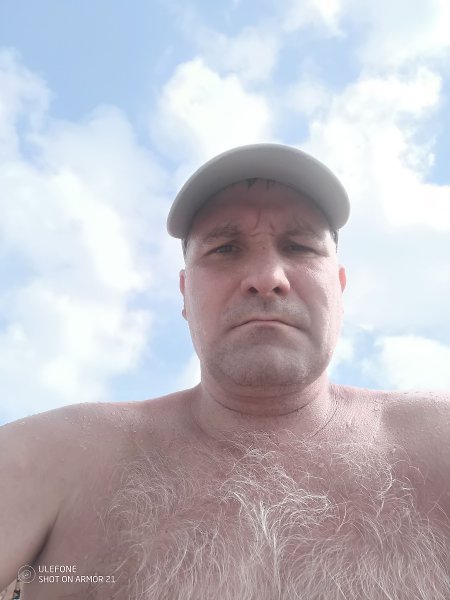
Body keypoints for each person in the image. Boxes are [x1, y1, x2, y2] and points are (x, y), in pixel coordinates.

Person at [1, 143, 449, 600]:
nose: (268, 277)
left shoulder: (441, 441)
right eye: (225, 248)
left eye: (299, 246)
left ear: (339, 286)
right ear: (184, 294)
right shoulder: (59, 458)